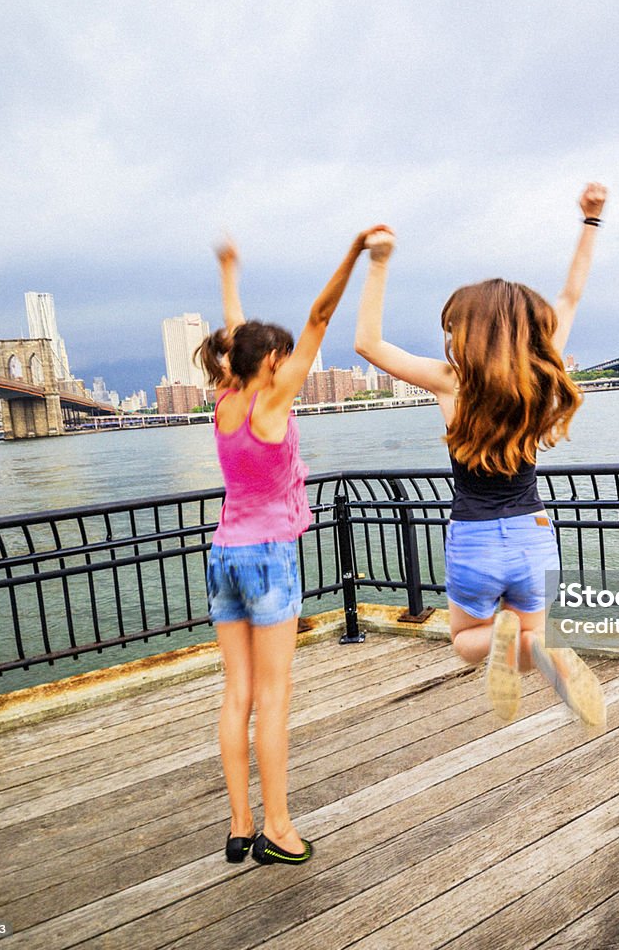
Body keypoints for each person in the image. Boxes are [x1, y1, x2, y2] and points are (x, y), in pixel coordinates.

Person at [355, 185, 608, 727]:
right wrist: (591, 221)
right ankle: (540, 647)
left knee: (467, 639)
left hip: (472, 536)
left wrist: (378, 263)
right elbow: (571, 297)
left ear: (467, 331)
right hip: (532, 532)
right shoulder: (540, 375)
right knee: (535, 636)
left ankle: (505, 637)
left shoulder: (450, 382)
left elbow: (369, 345)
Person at [197, 226, 389, 866]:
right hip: (270, 555)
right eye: (282, 353)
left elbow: (235, 330)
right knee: (274, 697)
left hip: (224, 554)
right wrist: (355, 253)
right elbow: (319, 315)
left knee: (237, 695)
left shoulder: (226, 399)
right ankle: (277, 830)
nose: (288, 356)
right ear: (272, 363)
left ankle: (239, 825)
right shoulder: (272, 403)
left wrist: (229, 273)